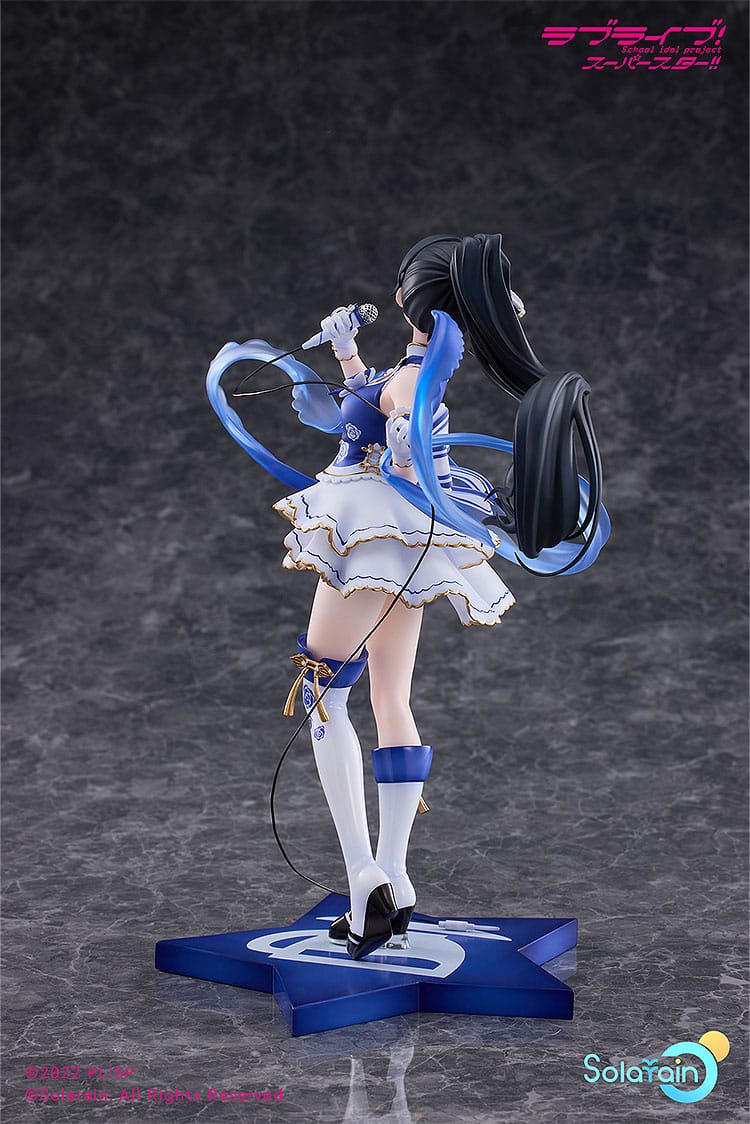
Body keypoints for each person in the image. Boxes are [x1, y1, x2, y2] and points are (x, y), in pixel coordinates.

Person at [267, 233, 606, 960]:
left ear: (408, 300)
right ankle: (395, 876)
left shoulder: (416, 379)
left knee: (323, 690)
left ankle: (363, 877)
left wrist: (398, 431)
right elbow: (373, 402)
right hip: (404, 541)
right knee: (390, 696)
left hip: (370, 534)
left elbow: (397, 425)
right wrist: (346, 354)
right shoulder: (415, 369)